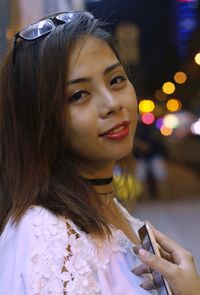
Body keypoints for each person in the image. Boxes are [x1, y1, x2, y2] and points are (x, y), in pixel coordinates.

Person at [0, 11, 199, 295]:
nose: (111, 104)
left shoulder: (106, 206)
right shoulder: (46, 235)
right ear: (39, 121)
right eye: (78, 95)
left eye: (116, 80)